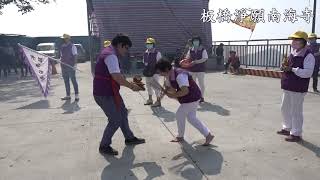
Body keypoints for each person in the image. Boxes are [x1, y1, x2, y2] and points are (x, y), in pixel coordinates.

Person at [93, 34, 145, 155]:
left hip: (110, 92)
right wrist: (132, 86)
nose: (127, 51)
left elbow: (116, 75)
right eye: (126, 48)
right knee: (115, 120)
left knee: (122, 113)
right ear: (120, 45)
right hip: (104, 94)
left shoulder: (109, 52)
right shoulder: (111, 56)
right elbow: (117, 77)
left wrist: (130, 82)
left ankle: (129, 137)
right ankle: (104, 146)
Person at [155, 59, 214, 146]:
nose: (159, 74)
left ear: (166, 69)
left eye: (160, 72)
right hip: (190, 98)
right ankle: (208, 135)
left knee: (179, 114)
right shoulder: (169, 75)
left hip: (192, 97)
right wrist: (161, 96)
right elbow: (169, 88)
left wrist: (173, 95)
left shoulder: (180, 75)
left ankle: (180, 136)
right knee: (191, 118)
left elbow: (185, 91)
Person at [278, 31, 315, 142]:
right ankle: (287, 128)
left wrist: (293, 69)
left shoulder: (308, 55)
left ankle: (296, 133)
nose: (293, 42)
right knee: (284, 108)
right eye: (293, 40)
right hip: (288, 85)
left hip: (298, 88)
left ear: (303, 42)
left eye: (297, 40)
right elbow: (288, 66)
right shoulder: (292, 53)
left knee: (296, 111)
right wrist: (283, 67)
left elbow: (308, 73)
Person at [185, 36, 208, 103]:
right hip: (192, 69)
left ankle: (202, 97)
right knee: (193, 84)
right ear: (192, 42)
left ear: (199, 41)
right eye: (194, 41)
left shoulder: (203, 49)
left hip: (200, 69)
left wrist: (196, 61)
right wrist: (185, 61)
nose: (195, 42)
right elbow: (187, 57)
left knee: (201, 84)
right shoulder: (190, 50)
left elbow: (205, 58)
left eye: (197, 41)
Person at [143, 37, 162, 107]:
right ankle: (150, 100)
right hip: (147, 73)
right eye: (147, 44)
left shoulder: (157, 53)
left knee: (156, 87)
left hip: (155, 73)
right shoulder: (145, 53)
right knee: (148, 86)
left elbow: (160, 63)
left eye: (150, 44)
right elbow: (144, 62)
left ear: (153, 44)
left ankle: (158, 101)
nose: (148, 45)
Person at [60, 34, 79, 101]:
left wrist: (75, 64)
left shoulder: (72, 46)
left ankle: (76, 95)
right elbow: (61, 56)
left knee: (73, 80)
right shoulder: (62, 46)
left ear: (68, 39)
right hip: (63, 66)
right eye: (63, 39)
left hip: (70, 66)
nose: (64, 40)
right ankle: (68, 95)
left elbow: (75, 55)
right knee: (66, 81)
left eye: (65, 38)